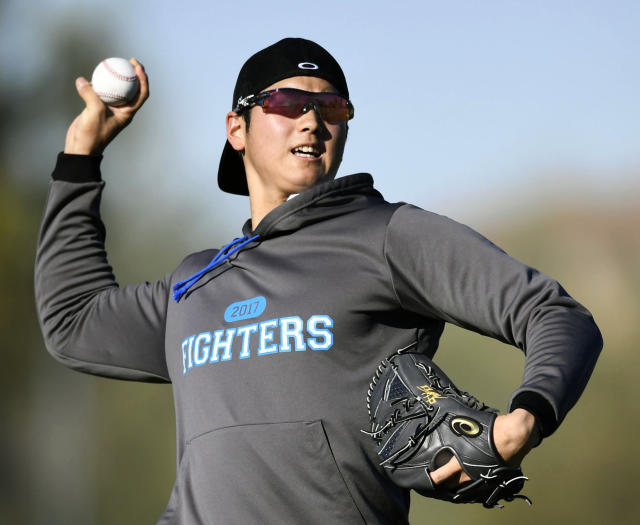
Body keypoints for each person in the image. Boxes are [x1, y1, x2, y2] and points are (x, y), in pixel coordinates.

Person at [35, 38, 602, 524]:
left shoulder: (385, 236)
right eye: (286, 101)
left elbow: (556, 314)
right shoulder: (197, 284)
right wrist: (81, 154)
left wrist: (526, 419)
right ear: (237, 127)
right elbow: (73, 321)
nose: (312, 119)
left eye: (331, 106)